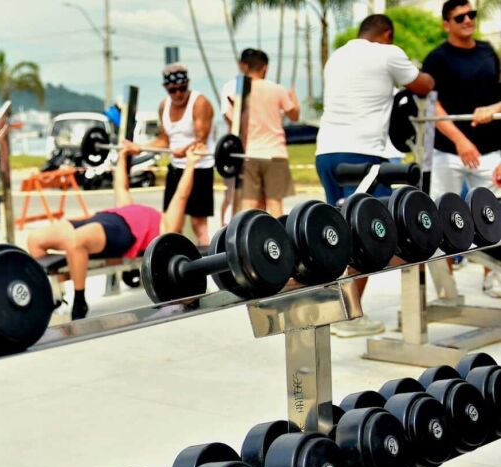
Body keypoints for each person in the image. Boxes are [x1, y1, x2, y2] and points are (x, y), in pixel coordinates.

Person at [316, 14, 435, 336]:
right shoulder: (387, 53)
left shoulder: (338, 56)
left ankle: (342, 310)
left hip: (327, 153)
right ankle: (348, 315)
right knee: (369, 234)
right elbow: (423, 84)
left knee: (342, 231)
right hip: (362, 154)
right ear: (387, 34)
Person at [27, 144, 205, 320]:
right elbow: (121, 186)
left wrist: (190, 164)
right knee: (35, 239)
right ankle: (52, 298)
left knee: (76, 241)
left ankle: (79, 301)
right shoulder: (129, 207)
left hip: (121, 232)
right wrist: (123, 155)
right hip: (102, 218)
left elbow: (181, 196)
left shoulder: (166, 225)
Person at [421, 0, 501, 297]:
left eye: (472, 15)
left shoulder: (488, 52)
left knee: (493, 217)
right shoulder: (436, 59)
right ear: (447, 24)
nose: (468, 20)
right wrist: (459, 139)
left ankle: (493, 278)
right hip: (448, 152)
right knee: (442, 220)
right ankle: (446, 289)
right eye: (460, 17)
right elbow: (432, 106)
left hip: (490, 151)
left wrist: (492, 109)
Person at [128, 63, 216, 245]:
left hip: (199, 168)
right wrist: (141, 147)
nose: (178, 94)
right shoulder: (163, 106)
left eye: (182, 88)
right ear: (166, 88)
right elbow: (164, 139)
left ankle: (207, 268)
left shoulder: (200, 103)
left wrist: (183, 151)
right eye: (173, 90)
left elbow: (201, 140)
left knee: (199, 224)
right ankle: (175, 266)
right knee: (171, 223)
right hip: (176, 168)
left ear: (188, 84)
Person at [221, 49, 299, 217]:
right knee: (274, 203)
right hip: (275, 154)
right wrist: (293, 98)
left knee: (249, 204)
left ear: (245, 66)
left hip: (249, 154)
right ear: (264, 68)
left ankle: (247, 239)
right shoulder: (277, 89)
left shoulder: (240, 93)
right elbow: (294, 115)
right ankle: (277, 239)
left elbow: (232, 123)